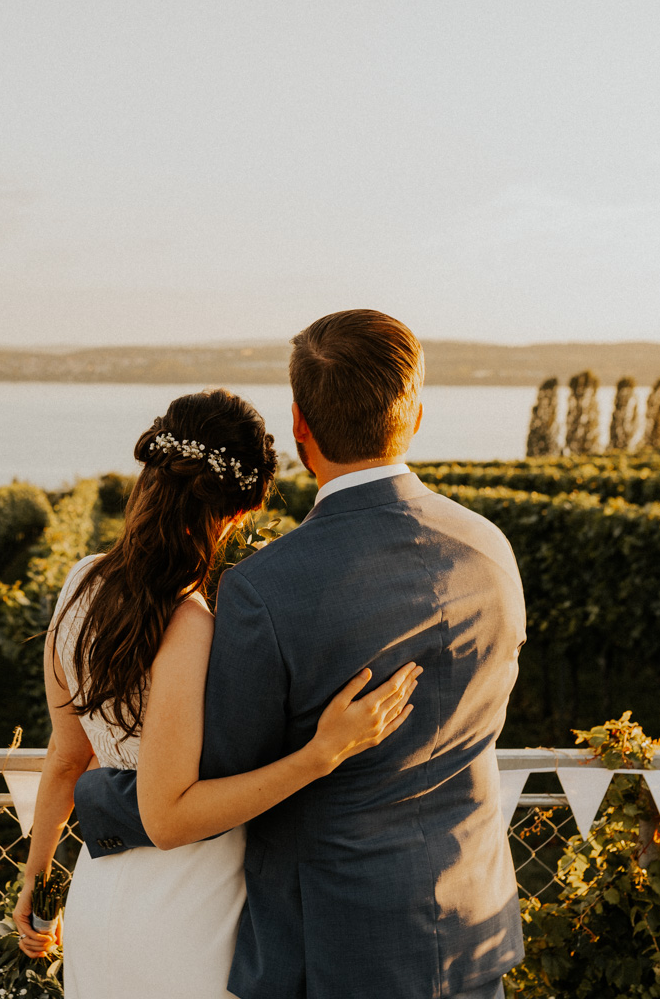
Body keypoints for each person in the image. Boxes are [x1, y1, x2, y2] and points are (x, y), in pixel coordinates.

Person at [67, 310, 527, 999]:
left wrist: (96, 791)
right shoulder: (491, 550)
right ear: (417, 417)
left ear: (301, 425)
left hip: (333, 951)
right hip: (471, 930)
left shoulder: (265, 589)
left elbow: (210, 780)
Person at [12, 385, 423, 998]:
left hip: (98, 896)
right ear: (236, 513)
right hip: (187, 910)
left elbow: (67, 760)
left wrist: (38, 881)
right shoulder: (191, 624)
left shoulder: (78, 583)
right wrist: (320, 754)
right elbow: (170, 815)